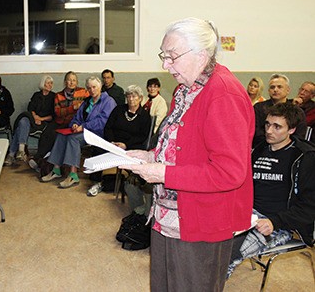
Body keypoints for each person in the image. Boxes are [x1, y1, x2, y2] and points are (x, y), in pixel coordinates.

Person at [119, 18, 255, 291]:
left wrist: (163, 173)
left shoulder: (223, 95)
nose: (165, 65)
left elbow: (229, 172)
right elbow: (182, 145)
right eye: (164, 56)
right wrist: (151, 156)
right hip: (169, 214)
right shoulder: (185, 89)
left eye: (172, 57)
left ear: (201, 54)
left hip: (200, 221)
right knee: (164, 284)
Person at [227, 102, 315, 278]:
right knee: (207, 243)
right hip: (247, 215)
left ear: (291, 130)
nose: (269, 131)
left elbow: (309, 207)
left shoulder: (305, 157)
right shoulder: (259, 149)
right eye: (267, 124)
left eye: (277, 127)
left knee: (227, 257)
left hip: (280, 224)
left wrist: (274, 222)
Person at [40, 76, 116, 188]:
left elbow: (102, 122)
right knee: (61, 135)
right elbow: (77, 117)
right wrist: (74, 124)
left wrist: (83, 127)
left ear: (100, 87)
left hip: (98, 133)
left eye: (94, 87)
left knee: (73, 139)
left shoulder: (108, 101)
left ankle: (73, 175)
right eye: (89, 88)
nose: (92, 90)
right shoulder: (87, 102)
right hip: (84, 132)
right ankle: (56, 170)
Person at [87, 85, 151, 197]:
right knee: (96, 151)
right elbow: (108, 127)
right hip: (113, 143)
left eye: (134, 96)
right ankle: (96, 182)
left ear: (140, 98)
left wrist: (125, 145)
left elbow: (142, 136)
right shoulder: (118, 109)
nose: (131, 99)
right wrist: (112, 142)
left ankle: (130, 184)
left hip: (131, 146)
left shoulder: (145, 116)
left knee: (137, 161)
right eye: (129, 96)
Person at [27, 71, 88, 171]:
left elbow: (87, 108)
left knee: (60, 137)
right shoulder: (58, 95)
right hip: (61, 121)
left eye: (74, 80)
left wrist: (69, 111)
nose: (71, 82)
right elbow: (58, 112)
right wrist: (73, 108)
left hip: (76, 122)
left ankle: (48, 162)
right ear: (65, 82)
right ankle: (39, 158)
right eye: (69, 80)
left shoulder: (84, 92)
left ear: (76, 82)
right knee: (47, 133)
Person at [4, 75, 55, 166]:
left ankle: (12, 154)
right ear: (43, 84)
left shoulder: (54, 97)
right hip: (33, 120)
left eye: (51, 83)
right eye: (48, 83)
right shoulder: (36, 95)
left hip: (45, 123)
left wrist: (41, 119)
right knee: (23, 120)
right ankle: (21, 150)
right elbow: (30, 109)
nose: (50, 85)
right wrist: (35, 117)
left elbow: (53, 115)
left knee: (20, 128)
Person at [253, 74, 306, 147]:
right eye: (272, 87)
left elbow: (299, 135)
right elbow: (255, 131)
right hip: (262, 146)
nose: (275, 90)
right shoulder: (259, 107)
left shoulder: (296, 111)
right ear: (268, 91)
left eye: (279, 87)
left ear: (288, 90)